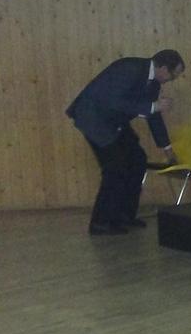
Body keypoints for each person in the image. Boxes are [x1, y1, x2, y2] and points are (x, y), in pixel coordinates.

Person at [67, 49, 184, 235]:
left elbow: (153, 115)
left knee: (137, 160)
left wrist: (167, 149)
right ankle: (101, 222)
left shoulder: (153, 83)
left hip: (114, 121)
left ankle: (124, 215)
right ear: (162, 68)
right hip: (94, 118)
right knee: (115, 168)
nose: (172, 80)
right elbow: (113, 100)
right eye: (173, 75)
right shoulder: (129, 68)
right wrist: (152, 106)